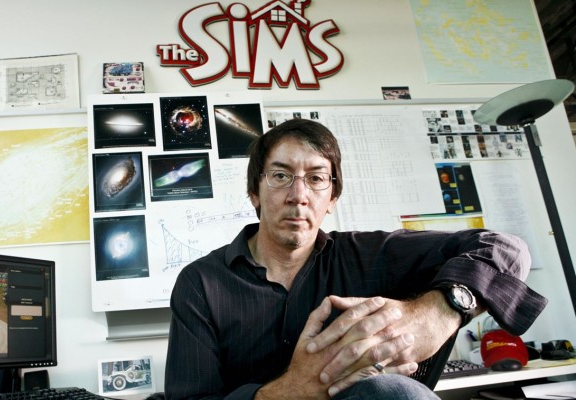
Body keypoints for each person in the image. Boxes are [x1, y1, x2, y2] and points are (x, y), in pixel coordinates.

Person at [165, 118, 547, 399]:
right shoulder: (201, 283)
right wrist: (293, 389)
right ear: (254, 192)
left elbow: (505, 249)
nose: (298, 195)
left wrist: (437, 313)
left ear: (332, 199)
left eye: (316, 178)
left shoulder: (370, 254)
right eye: (280, 176)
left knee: (395, 392)